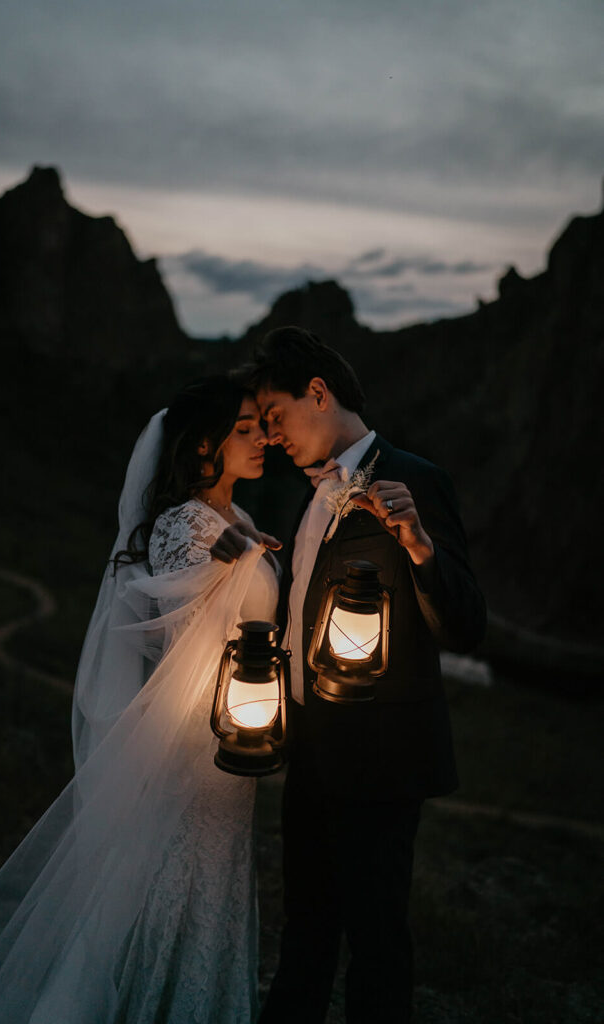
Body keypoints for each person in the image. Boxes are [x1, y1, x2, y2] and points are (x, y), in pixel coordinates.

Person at [0, 375, 281, 1024]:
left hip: (237, 731)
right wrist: (219, 562)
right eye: (245, 429)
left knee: (213, 885)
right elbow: (148, 618)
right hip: (188, 740)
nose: (261, 440)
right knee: (160, 887)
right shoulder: (186, 525)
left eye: (261, 427)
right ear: (205, 447)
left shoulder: (243, 520)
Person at [212, 328, 486, 1024]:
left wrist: (418, 545)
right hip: (309, 753)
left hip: (382, 759)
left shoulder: (415, 478)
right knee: (304, 930)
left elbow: (463, 625)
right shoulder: (313, 494)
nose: (271, 438)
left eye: (275, 419)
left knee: (376, 943)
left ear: (318, 392)